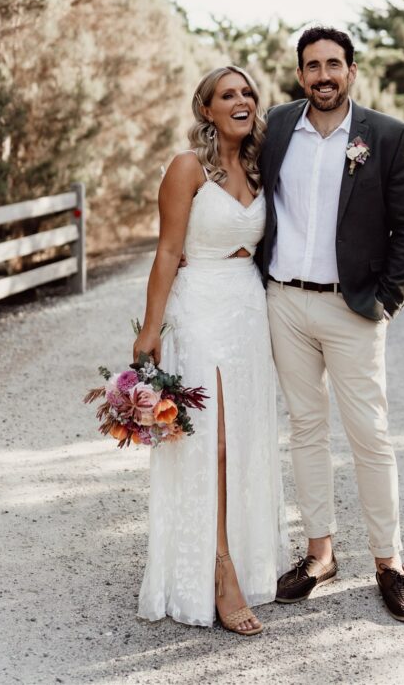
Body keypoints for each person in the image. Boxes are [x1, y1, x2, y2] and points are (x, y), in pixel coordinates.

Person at [259, 26, 404, 622]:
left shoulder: (386, 136)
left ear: (351, 71)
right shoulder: (277, 127)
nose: (323, 75)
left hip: (352, 307)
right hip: (285, 301)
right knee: (305, 428)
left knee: (370, 435)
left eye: (334, 64)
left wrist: (385, 301)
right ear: (300, 74)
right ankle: (319, 554)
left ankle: (390, 562)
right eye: (313, 66)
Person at [133, 66, 288, 636]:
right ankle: (218, 569)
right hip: (197, 307)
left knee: (243, 440)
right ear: (207, 109)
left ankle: (243, 560)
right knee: (212, 442)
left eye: (248, 93)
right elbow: (168, 251)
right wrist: (150, 329)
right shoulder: (186, 168)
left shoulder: (258, 167)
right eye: (229, 94)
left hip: (249, 308)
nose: (242, 100)